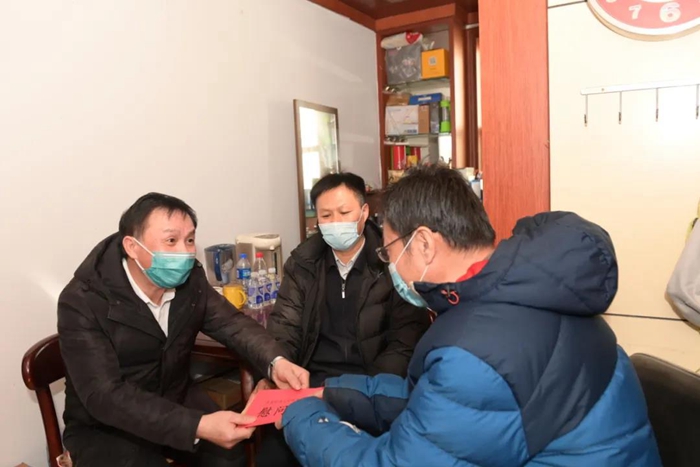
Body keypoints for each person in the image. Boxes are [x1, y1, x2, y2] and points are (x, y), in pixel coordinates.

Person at [279, 165, 661, 466]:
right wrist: (330, 392)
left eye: (390, 251)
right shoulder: (529, 288)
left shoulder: (473, 351)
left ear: (423, 244)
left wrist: (303, 416)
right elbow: (435, 400)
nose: (389, 263)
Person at [57, 193, 309, 467]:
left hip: (175, 397)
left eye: (189, 240)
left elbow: (233, 324)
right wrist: (197, 425)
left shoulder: (191, 281)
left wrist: (276, 362)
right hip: (108, 425)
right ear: (132, 246)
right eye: (171, 241)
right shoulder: (82, 301)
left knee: (230, 456)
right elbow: (105, 395)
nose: (185, 252)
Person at [256, 172, 430, 466]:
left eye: (344, 212)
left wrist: (352, 396)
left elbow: (404, 345)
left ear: (364, 212)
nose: (335, 222)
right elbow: (284, 329)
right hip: (310, 386)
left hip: (373, 390)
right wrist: (280, 369)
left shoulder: (393, 260)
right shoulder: (303, 263)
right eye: (326, 215)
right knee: (273, 454)